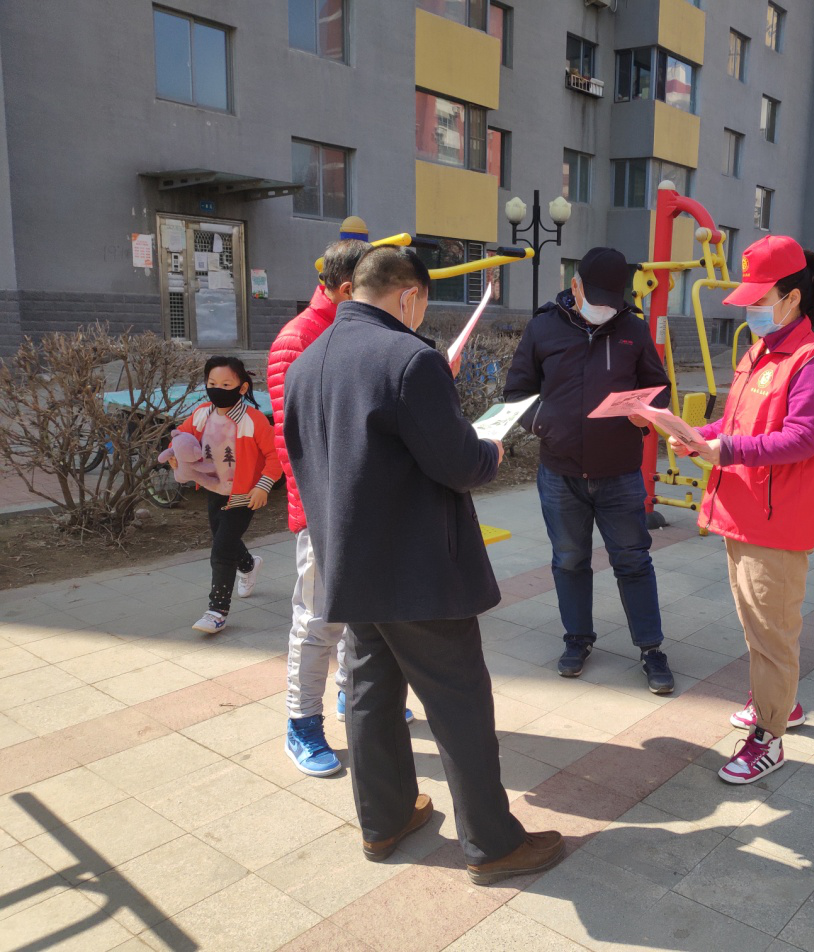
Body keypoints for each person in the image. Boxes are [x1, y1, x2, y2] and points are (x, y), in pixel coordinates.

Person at [284, 246, 562, 880]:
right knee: (459, 703)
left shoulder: (304, 363)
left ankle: (383, 822)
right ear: (408, 296)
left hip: (347, 564)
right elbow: (459, 465)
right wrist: (489, 446)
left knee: (371, 696)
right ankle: (493, 844)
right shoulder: (411, 359)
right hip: (418, 570)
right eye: (423, 304)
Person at [669, 236, 814, 785]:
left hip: (776, 521)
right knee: (757, 625)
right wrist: (698, 435)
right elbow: (737, 423)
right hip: (740, 511)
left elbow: (802, 439)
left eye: (758, 299)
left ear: (791, 298)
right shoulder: (757, 353)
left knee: (773, 632)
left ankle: (769, 737)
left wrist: (727, 449)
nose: (749, 309)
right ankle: (780, 703)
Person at [268, 238, 414, 779]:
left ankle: (355, 699)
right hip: (324, 512)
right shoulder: (299, 341)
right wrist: (319, 515)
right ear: (351, 289)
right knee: (317, 621)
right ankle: (300, 724)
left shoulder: (356, 330)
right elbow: (294, 443)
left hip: (364, 505)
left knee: (363, 617)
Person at [504, 247, 676, 694]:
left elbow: (660, 389)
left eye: (612, 300)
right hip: (560, 472)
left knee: (633, 561)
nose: (604, 308)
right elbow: (516, 392)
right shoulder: (543, 327)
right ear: (574, 286)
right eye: (595, 296)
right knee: (569, 560)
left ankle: (651, 648)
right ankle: (577, 639)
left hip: (619, 472)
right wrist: (544, 424)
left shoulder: (633, 329)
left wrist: (649, 410)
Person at [172, 357, 280, 635]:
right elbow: (181, 438)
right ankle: (248, 564)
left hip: (244, 495)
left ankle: (217, 611)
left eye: (226, 384)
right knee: (225, 540)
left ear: (242, 388)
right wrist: (175, 457)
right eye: (212, 383)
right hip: (214, 491)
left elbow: (275, 455)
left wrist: (263, 486)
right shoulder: (201, 414)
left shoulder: (253, 419)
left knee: (221, 548)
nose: (217, 389)